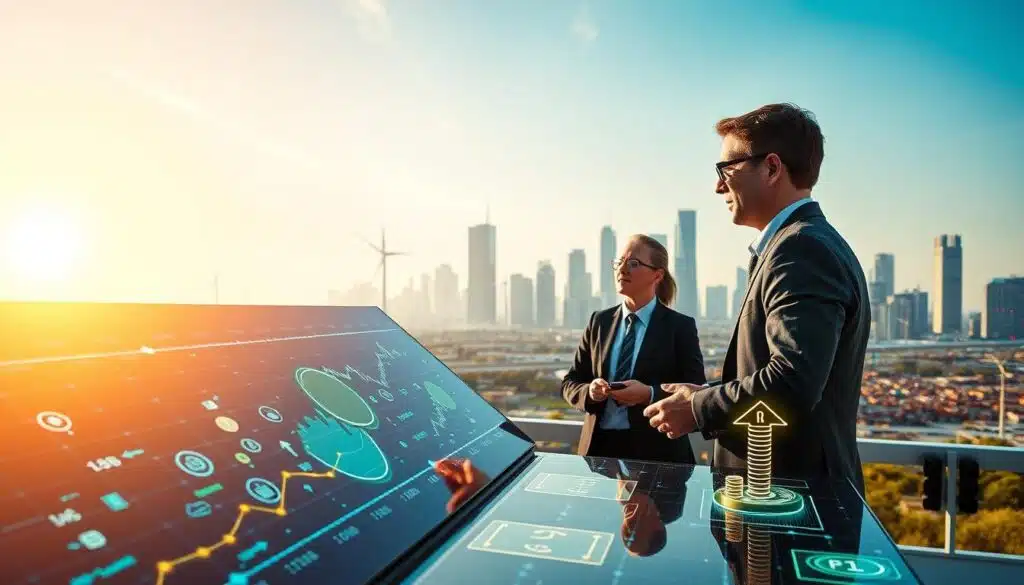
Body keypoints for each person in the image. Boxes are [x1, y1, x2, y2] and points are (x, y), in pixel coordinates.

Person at [643, 103, 870, 493]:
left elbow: (792, 383)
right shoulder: (803, 243)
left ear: (771, 168)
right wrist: (708, 395)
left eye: (726, 170)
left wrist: (698, 409)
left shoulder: (801, 249)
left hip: (787, 500)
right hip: (785, 494)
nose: (718, 187)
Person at [561, 234, 706, 464]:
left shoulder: (680, 326)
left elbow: (696, 392)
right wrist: (590, 391)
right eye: (619, 262)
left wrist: (649, 394)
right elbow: (570, 382)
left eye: (634, 263)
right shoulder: (599, 322)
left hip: (657, 455)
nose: (622, 269)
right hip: (598, 453)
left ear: (657, 275)